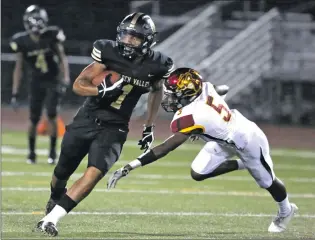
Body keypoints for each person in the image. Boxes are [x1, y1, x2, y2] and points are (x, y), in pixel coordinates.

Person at [107, 67, 298, 233]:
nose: (169, 98)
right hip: (225, 138)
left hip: (248, 141)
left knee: (268, 182)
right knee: (198, 173)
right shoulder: (204, 88)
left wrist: (130, 166)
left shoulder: (192, 117)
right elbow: (221, 90)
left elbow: (165, 148)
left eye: (173, 94)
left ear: (187, 94)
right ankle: (243, 164)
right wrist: (205, 125)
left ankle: (285, 210)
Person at [35, 12, 174, 236]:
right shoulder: (107, 52)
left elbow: (156, 91)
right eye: (125, 36)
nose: (127, 41)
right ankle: (54, 197)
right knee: (62, 170)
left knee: (96, 171)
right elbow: (79, 85)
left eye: (135, 37)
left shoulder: (158, 64)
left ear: (147, 40)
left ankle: (51, 219)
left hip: (116, 126)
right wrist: (101, 90)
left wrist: (149, 126)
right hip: (87, 117)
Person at [9, 5, 70, 165]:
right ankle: (31, 153)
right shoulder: (21, 41)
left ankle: (52, 153)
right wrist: (14, 92)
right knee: (34, 118)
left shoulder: (52, 35)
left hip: (52, 80)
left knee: (51, 114)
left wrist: (65, 79)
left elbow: (62, 57)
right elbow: (18, 67)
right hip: (36, 81)